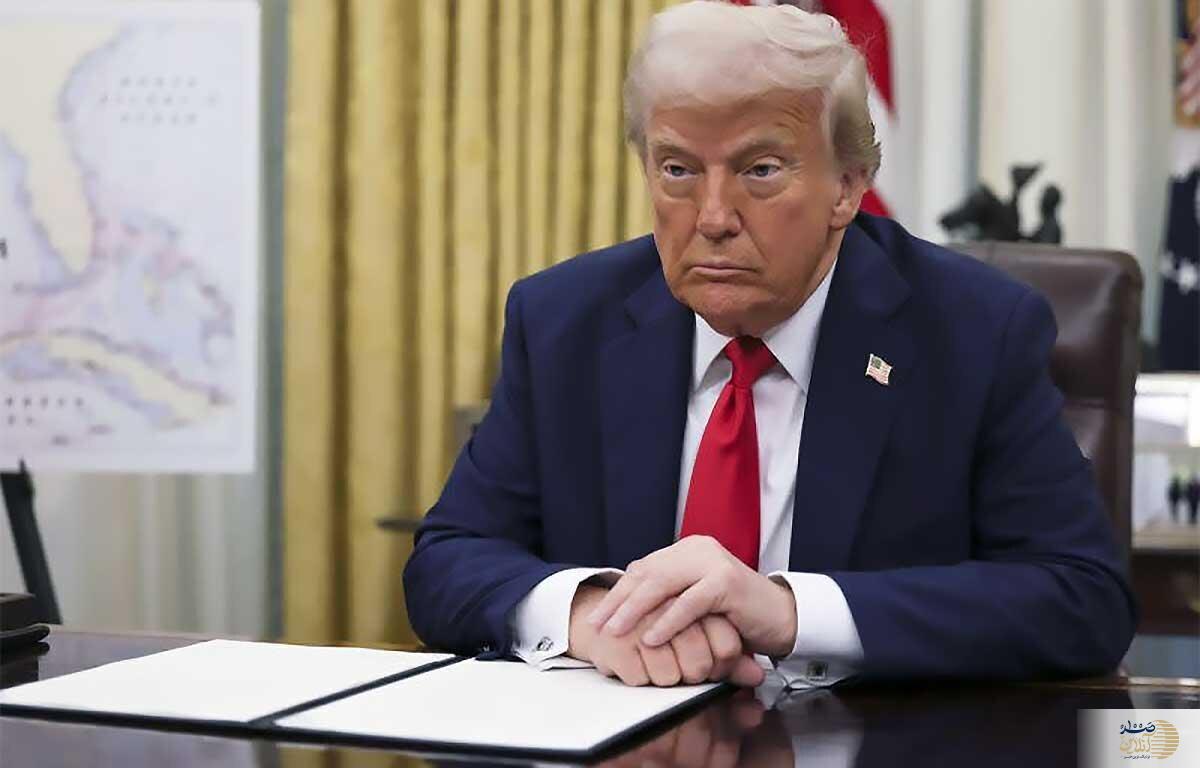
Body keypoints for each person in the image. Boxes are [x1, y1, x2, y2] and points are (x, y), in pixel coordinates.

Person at [403, 0, 1135, 688]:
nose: (713, 217)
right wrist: (589, 615)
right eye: (678, 170)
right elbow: (447, 560)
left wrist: (789, 613)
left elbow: (1081, 596)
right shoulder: (564, 322)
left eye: (759, 170)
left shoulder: (973, 331)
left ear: (847, 186)